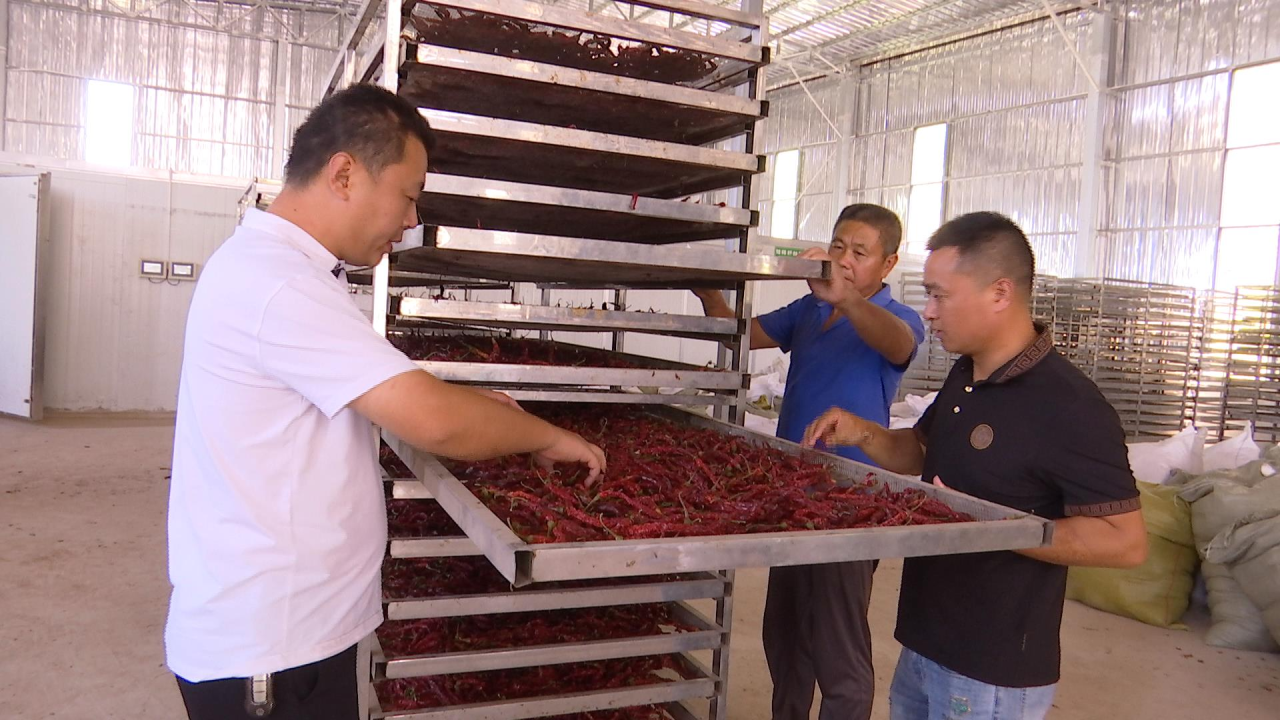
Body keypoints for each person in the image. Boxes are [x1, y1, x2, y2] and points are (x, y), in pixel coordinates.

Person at [164, 84, 606, 720]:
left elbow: (372, 389)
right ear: (344, 174)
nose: (410, 220)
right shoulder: (277, 283)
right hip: (270, 657)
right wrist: (548, 435)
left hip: (287, 638)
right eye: (408, 195)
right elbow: (435, 423)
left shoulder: (285, 272)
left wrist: (465, 399)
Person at [803, 212, 1148, 720]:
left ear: (999, 293)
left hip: (991, 672)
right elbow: (922, 452)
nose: (928, 312)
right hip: (925, 641)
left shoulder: (1069, 405)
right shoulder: (966, 374)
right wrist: (864, 433)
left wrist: (983, 524)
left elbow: (1125, 542)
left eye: (940, 296)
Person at [694, 203, 926, 720]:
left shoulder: (898, 318)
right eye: (838, 246)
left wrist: (846, 296)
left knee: (837, 644)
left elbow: (899, 346)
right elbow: (739, 332)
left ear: (888, 264)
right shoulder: (809, 309)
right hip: (795, 493)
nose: (844, 259)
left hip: (851, 502)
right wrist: (707, 290)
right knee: (785, 632)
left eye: (860, 252)